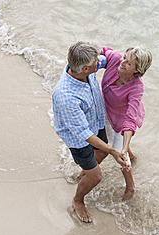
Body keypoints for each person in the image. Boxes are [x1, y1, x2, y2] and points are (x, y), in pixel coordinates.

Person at [52, 41, 130, 223]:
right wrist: (113, 151)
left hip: (94, 122)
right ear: (86, 68)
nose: (99, 61)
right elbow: (85, 135)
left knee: (101, 151)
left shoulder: (82, 67)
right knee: (96, 177)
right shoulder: (66, 96)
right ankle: (77, 200)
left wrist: (129, 61)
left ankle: (84, 172)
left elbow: (109, 59)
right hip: (78, 139)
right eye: (96, 61)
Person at [100, 46, 152, 201]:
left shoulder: (136, 87)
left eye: (129, 63)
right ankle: (131, 154)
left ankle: (130, 187)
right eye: (124, 57)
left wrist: (122, 148)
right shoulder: (115, 59)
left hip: (121, 121)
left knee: (119, 155)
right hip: (105, 108)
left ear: (136, 71)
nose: (122, 62)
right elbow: (101, 50)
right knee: (107, 141)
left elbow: (130, 119)